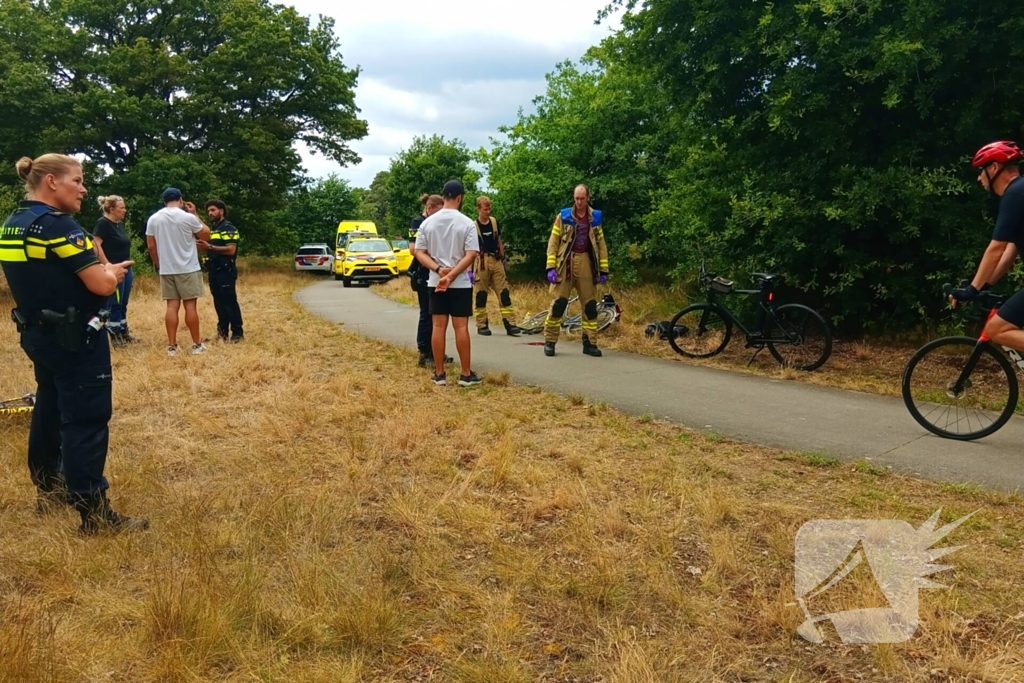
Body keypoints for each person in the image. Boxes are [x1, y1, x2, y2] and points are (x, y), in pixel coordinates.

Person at [0, 154, 148, 535]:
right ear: (51, 181)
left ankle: (49, 488)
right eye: (77, 181)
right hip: (76, 338)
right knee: (86, 418)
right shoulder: (60, 227)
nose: (83, 189)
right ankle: (93, 512)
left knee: (49, 406)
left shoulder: (14, 223)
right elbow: (99, 284)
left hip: (39, 334)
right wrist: (112, 273)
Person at [951, 141, 1024, 351]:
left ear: (994, 168)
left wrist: (971, 289)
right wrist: (985, 285)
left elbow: (996, 249)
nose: (979, 177)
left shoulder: (1015, 194)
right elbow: (1011, 248)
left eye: (981, 171)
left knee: (997, 330)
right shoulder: (1020, 191)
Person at [413, 180, 482, 387]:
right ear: (460, 198)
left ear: (443, 197)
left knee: (437, 326)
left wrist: (437, 270)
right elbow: (471, 255)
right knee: (461, 327)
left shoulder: (428, 222)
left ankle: (439, 373)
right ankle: (466, 374)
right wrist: (451, 276)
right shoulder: (467, 223)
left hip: (435, 281)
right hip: (459, 282)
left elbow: (418, 252)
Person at [542, 184, 610, 357]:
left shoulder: (595, 218)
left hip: (586, 261)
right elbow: (553, 242)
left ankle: (590, 343)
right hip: (566, 262)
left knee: (590, 306)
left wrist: (603, 269)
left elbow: (601, 244)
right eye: (576, 198)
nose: (579, 202)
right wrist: (551, 267)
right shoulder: (564, 216)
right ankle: (550, 341)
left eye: (582, 198)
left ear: (588, 198)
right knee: (558, 305)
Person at [145, 187, 211, 356]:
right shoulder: (187, 217)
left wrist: (159, 264)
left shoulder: (154, 219)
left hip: (167, 269)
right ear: (181, 200)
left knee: (172, 306)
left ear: (164, 201)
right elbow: (206, 235)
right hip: (188, 268)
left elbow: (151, 247)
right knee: (190, 306)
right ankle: (196, 345)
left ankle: (172, 346)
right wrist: (195, 214)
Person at [409, 193, 451, 367]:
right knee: (426, 314)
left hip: (437, 275)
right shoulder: (417, 223)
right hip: (423, 275)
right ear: (430, 208)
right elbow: (413, 249)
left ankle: (436, 351)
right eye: (438, 211)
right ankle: (424, 353)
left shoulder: (436, 223)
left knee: (438, 314)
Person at [471, 195, 521, 337]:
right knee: (481, 295)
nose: (488, 212)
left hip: (496, 260)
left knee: (504, 293)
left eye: (489, 209)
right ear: (478, 209)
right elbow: (469, 249)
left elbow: (499, 240)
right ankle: (482, 325)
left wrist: (503, 259)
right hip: (481, 262)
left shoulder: (494, 222)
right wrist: (470, 271)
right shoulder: (473, 226)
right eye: (485, 209)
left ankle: (510, 324)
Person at [92, 194, 137, 346]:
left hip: (126, 269)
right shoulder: (103, 223)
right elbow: (95, 244)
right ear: (111, 209)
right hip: (114, 270)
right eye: (121, 208)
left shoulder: (119, 224)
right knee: (114, 303)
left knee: (123, 302)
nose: (124, 210)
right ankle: (114, 334)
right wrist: (107, 265)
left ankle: (124, 331)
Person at [198, 199, 244, 342]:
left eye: (213, 210)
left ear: (221, 211)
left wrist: (209, 247)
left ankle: (237, 333)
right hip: (214, 270)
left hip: (226, 270)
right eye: (208, 211)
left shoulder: (228, 228)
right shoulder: (215, 228)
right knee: (218, 302)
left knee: (229, 302)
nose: (210, 213)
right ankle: (222, 332)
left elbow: (231, 250)